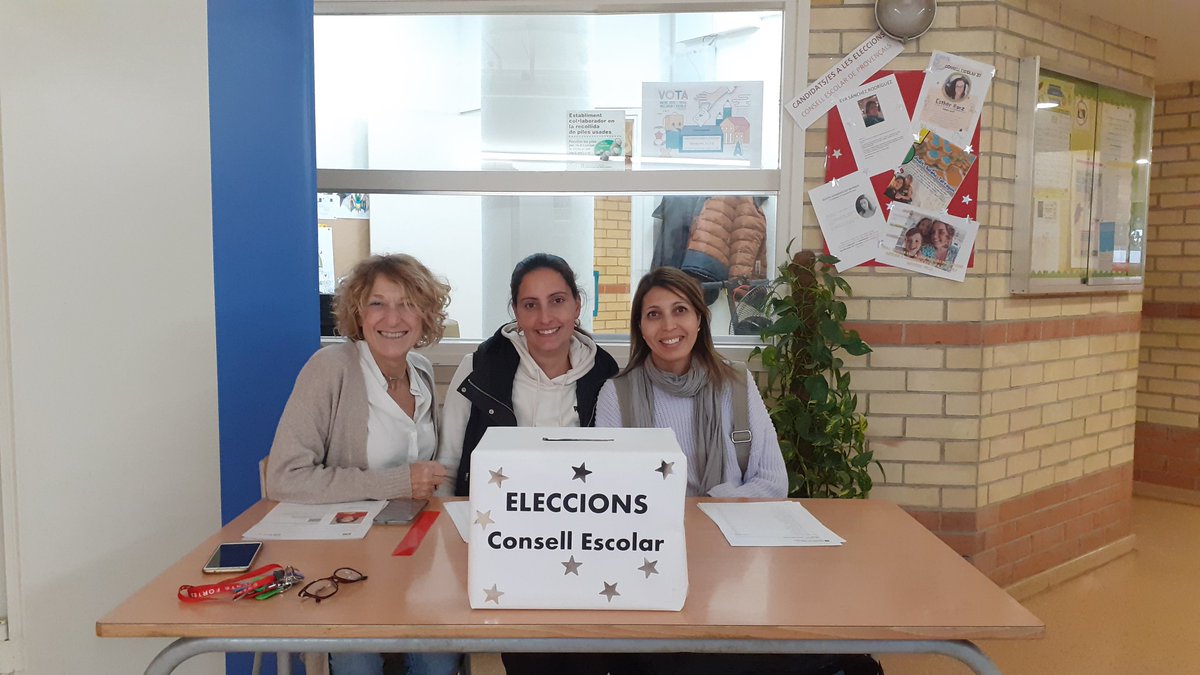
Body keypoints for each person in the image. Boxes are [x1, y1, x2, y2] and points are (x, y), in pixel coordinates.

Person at [597, 269, 882, 675]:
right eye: (653, 315)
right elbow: (608, 496)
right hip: (653, 564)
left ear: (700, 318)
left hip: (736, 558)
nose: (668, 326)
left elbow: (771, 481)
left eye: (680, 310)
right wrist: (704, 516)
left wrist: (701, 516)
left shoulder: (736, 383)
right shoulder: (617, 394)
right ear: (640, 328)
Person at [264, 253, 460, 675]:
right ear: (358, 313)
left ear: (425, 315)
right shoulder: (330, 369)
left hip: (414, 554)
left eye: (407, 303)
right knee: (359, 660)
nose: (393, 317)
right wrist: (397, 482)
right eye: (378, 303)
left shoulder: (421, 371)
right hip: (342, 560)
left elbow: (430, 480)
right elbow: (284, 478)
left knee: (441, 657)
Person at [436, 253, 624, 675]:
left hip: (585, 543)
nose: (545, 317)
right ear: (515, 313)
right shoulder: (480, 368)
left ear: (578, 305)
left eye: (557, 300)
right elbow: (448, 465)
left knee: (593, 654)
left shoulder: (608, 376)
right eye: (530, 304)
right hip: (500, 542)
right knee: (530, 655)